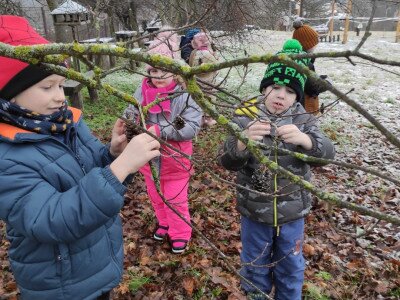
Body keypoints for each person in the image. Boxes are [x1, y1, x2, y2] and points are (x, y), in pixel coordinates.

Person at [0, 15, 161, 300]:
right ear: (10, 93)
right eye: (47, 87)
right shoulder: (7, 155)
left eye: (61, 84)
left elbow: (88, 171)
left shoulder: (66, 123)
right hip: (60, 286)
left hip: (97, 265)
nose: (60, 97)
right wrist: (120, 169)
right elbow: (52, 219)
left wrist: (112, 154)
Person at [219, 39, 335, 300]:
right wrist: (242, 141)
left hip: (292, 212)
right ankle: (256, 294)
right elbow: (225, 161)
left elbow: (327, 154)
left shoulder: (304, 120)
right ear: (265, 89)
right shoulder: (244, 116)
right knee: (254, 260)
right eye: (275, 87)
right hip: (254, 211)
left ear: (298, 96)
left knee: (291, 264)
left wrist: (305, 141)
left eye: (290, 91)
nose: (281, 95)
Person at [123, 31, 203, 254]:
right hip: (150, 160)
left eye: (164, 70)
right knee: (156, 196)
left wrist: (160, 130)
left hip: (175, 161)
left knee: (175, 199)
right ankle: (165, 223)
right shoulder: (142, 90)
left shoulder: (184, 95)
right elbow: (131, 109)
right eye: (153, 70)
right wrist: (130, 120)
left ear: (175, 70)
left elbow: (191, 125)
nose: (158, 76)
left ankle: (180, 233)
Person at [292, 19, 329, 115]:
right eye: (314, 44)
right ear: (306, 45)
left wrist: (318, 78)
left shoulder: (293, 57)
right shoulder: (304, 63)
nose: (315, 47)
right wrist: (325, 84)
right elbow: (312, 88)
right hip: (303, 108)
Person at [188, 31, 219, 127]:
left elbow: (191, 65)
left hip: (198, 81)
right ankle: (209, 118)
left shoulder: (195, 53)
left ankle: (200, 118)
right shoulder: (207, 54)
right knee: (210, 99)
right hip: (209, 82)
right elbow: (215, 66)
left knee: (199, 99)